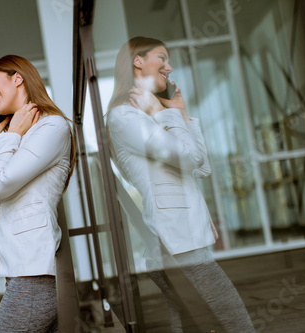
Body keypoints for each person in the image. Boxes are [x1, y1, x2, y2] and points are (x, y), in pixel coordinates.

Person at [106, 37, 255, 333]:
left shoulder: (148, 113)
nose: (169, 67)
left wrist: (181, 113)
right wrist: (167, 113)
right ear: (138, 60)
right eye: (162, 58)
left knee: (186, 318)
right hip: (175, 237)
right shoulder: (125, 116)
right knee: (231, 315)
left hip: (180, 236)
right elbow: (188, 158)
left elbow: (202, 166)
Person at [0, 54, 75, 332]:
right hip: (20, 272)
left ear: (17, 78)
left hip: (35, 272)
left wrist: (11, 135)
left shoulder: (51, 126)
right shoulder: (17, 133)